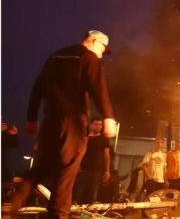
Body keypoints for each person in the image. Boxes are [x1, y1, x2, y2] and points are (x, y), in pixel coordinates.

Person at [10, 30, 117, 218]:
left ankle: (14, 203)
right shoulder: (89, 58)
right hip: (74, 123)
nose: (101, 54)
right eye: (102, 48)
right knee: (66, 175)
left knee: (43, 167)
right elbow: (98, 89)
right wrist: (108, 117)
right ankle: (58, 215)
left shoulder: (55, 56)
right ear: (92, 41)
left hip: (50, 121)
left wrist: (31, 118)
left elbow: (38, 87)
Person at [73, 118, 111, 204]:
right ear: (91, 125)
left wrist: (107, 170)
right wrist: (77, 165)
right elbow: (79, 152)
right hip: (84, 169)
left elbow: (107, 155)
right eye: (96, 124)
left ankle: (91, 212)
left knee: (94, 194)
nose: (98, 126)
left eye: (100, 125)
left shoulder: (104, 139)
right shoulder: (86, 138)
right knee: (78, 192)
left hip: (97, 170)